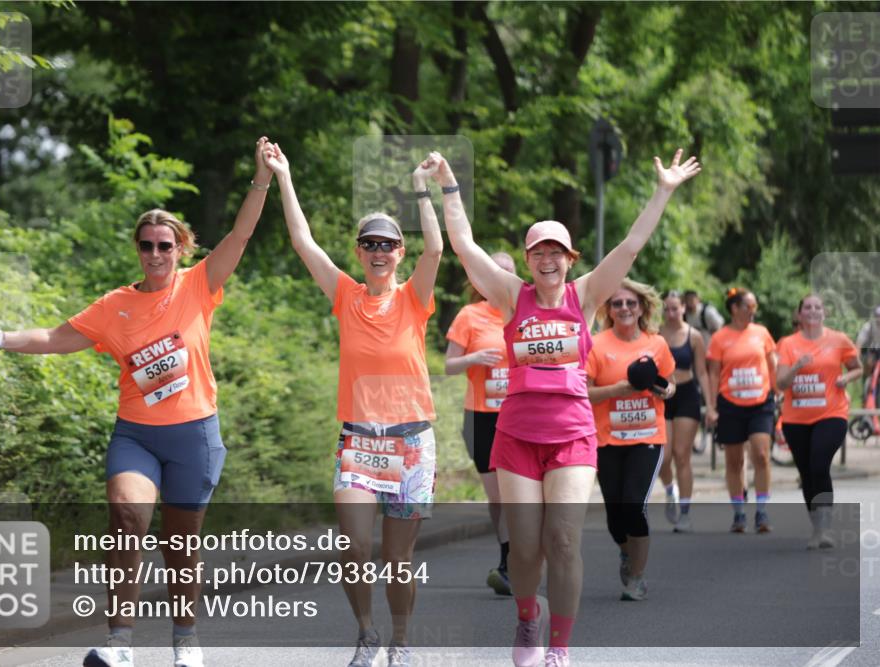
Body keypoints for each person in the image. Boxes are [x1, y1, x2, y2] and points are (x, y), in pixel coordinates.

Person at [0, 138, 276, 667]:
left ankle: (186, 642)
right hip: (136, 434)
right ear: (137, 250)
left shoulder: (198, 286)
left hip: (194, 435)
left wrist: (263, 176)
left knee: (180, 546)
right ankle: (120, 645)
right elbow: (53, 337)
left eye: (166, 246)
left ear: (180, 249)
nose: (157, 254)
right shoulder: (113, 305)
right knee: (125, 513)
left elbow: (241, 233)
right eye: (148, 246)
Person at [440, 148, 700, 667]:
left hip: (573, 436)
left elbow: (629, 246)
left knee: (562, 539)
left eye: (557, 251)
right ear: (529, 258)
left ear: (569, 258)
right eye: (539, 252)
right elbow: (464, 245)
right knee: (524, 549)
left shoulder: (585, 297)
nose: (548, 259)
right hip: (515, 436)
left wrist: (663, 190)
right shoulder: (514, 297)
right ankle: (527, 619)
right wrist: (449, 184)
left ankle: (559, 647)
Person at [263, 143, 442, 667]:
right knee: (354, 548)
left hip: (412, 441)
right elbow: (302, 241)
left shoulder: (414, 298)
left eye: (388, 243)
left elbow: (436, 249)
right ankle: (366, 633)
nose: (380, 250)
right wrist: (284, 175)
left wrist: (420, 188)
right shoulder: (344, 295)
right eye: (370, 243)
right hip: (360, 443)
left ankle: (401, 643)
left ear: (398, 252)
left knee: (399, 559)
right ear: (360, 252)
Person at [587, 280, 675, 601]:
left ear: (642, 308)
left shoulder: (657, 344)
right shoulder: (596, 344)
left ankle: (636, 577)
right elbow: (583, 392)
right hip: (607, 439)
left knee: (634, 505)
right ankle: (626, 553)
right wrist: (617, 390)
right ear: (608, 310)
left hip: (648, 437)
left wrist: (669, 390)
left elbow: (668, 382)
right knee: (615, 516)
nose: (624, 308)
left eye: (630, 303)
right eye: (617, 303)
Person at [445, 252, 518, 596]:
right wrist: (474, 358)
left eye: (506, 273)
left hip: (521, 415)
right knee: (500, 497)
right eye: (493, 272)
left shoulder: (525, 314)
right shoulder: (469, 316)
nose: (499, 278)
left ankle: (515, 561)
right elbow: (449, 366)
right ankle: (509, 560)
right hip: (481, 417)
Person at [776, 295, 861, 548]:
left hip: (831, 414)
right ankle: (817, 527)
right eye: (807, 307)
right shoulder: (788, 344)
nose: (812, 311)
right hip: (795, 418)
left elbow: (857, 367)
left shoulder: (839, 340)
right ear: (800, 315)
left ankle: (824, 530)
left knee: (819, 464)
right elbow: (780, 383)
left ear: (824, 313)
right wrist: (796, 367)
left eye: (817, 307)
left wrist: (847, 379)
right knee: (806, 471)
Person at [705, 287, 777, 534]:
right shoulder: (720, 337)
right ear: (735, 308)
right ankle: (738, 513)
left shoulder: (762, 333)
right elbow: (713, 373)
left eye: (755, 306)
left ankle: (762, 510)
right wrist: (712, 407)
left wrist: (779, 392)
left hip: (760, 403)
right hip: (730, 404)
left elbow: (772, 365)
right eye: (750, 306)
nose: (753, 310)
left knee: (761, 454)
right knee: (734, 461)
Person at [657, 290, 710, 532]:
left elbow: (702, 372)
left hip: (687, 394)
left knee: (681, 454)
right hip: (661, 395)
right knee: (663, 458)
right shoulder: (655, 334)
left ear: (683, 309)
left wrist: (711, 405)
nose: (670, 313)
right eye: (666, 308)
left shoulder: (694, 336)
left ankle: (686, 512)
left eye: (674, 308)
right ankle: (670, 491)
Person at [855, 305, 880, 405]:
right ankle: (867, 382)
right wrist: (856, 356)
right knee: (868, 362)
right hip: (872, 350)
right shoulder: (868, 326)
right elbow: (859, 343)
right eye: (877, 316)